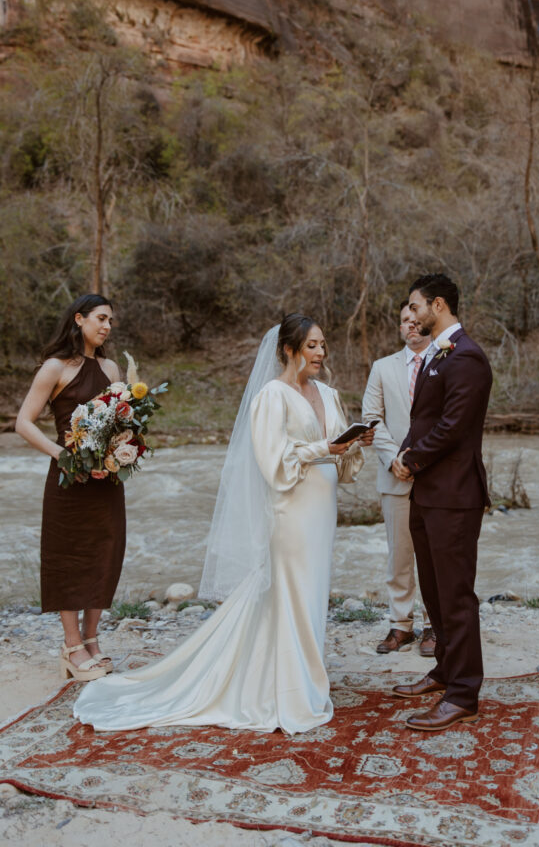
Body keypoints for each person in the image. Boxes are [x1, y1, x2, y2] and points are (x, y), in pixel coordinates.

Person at [73, 313, 373, 734]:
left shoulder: (326, 391)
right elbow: (273, 461)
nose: (321, 353)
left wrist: (354, 443)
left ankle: (304, 673)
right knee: (291, 592)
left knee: (312, 592)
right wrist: (324, 447)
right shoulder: (272, 395)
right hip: (291, 510)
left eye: (323, 345)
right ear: (289, 350)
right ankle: (289, 689)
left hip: (323, 510)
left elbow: (340, 455)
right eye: (312, 345)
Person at [390, 273, 492, 731]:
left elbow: (452, 426)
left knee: (455, 595)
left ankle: (464, 693)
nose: (410, 316)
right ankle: (446, 670)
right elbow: (423, 417)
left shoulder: (466, 356)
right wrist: (402, 455)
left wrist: (412, 459)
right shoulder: (435, 354)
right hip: (427, 492)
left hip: (454, 495)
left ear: (437, 305)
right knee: (434, 591)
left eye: (415, 307)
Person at [15, 293, 125, 683]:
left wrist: (124, 448)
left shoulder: (112, 368)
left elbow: (120, 421)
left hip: (106, 479)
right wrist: (60, 454)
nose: (106, 326)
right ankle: (72, 645)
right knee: (69, 557)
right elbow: (23, 423)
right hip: (68, 478)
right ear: (79, 319)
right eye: (100, 318)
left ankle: (93, 639)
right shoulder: (55, 367)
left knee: (104, 554)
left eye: (110, 320)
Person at [362, 301, 434, 655]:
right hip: (395, 476)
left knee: (435, 555)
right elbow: (372, 417)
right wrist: (394, 459)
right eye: (404, 320)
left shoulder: (446, 362)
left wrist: (424, 459)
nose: (410, 325)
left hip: (437, 476)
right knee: (399, 556)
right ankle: (400, 625)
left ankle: (436, 626)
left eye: (416, 319)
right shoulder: (382, 368)